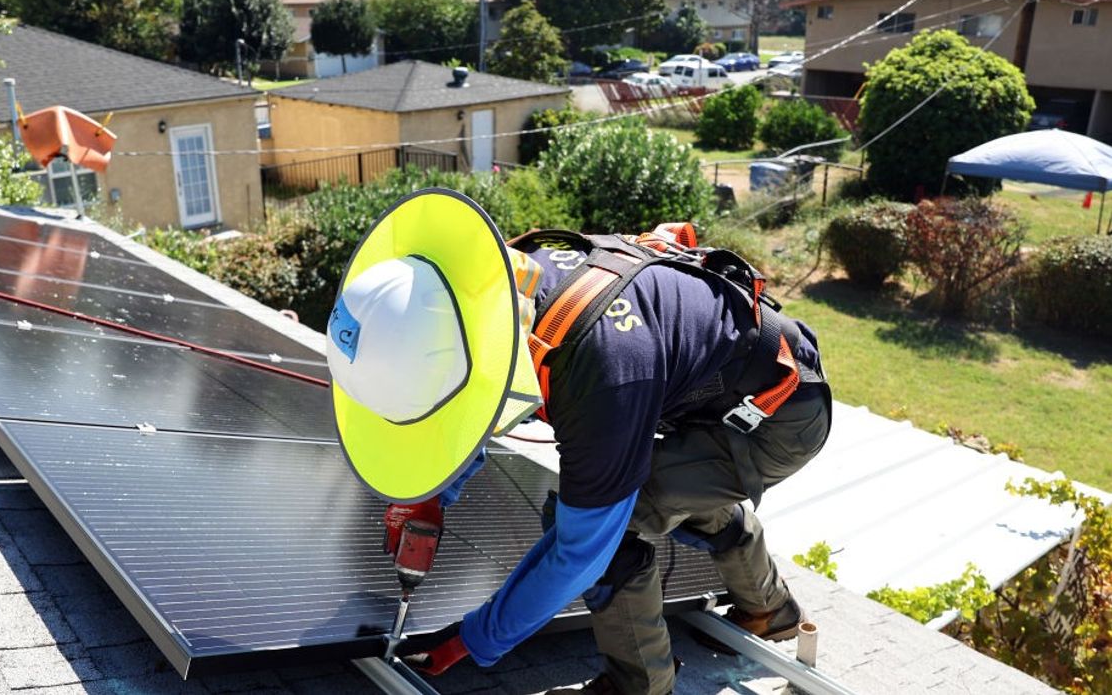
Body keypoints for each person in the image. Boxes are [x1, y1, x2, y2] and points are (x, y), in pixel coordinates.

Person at [327, 189, 831, 695]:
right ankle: (771, 609)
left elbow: (580, 556)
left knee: (617, 525)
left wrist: (475, 638)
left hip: (777, 417)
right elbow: (471, 388)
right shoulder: (500, 285)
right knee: (668, 484)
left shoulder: (602, 380)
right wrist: (431, 493)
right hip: (722, 386)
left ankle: (643, 684)